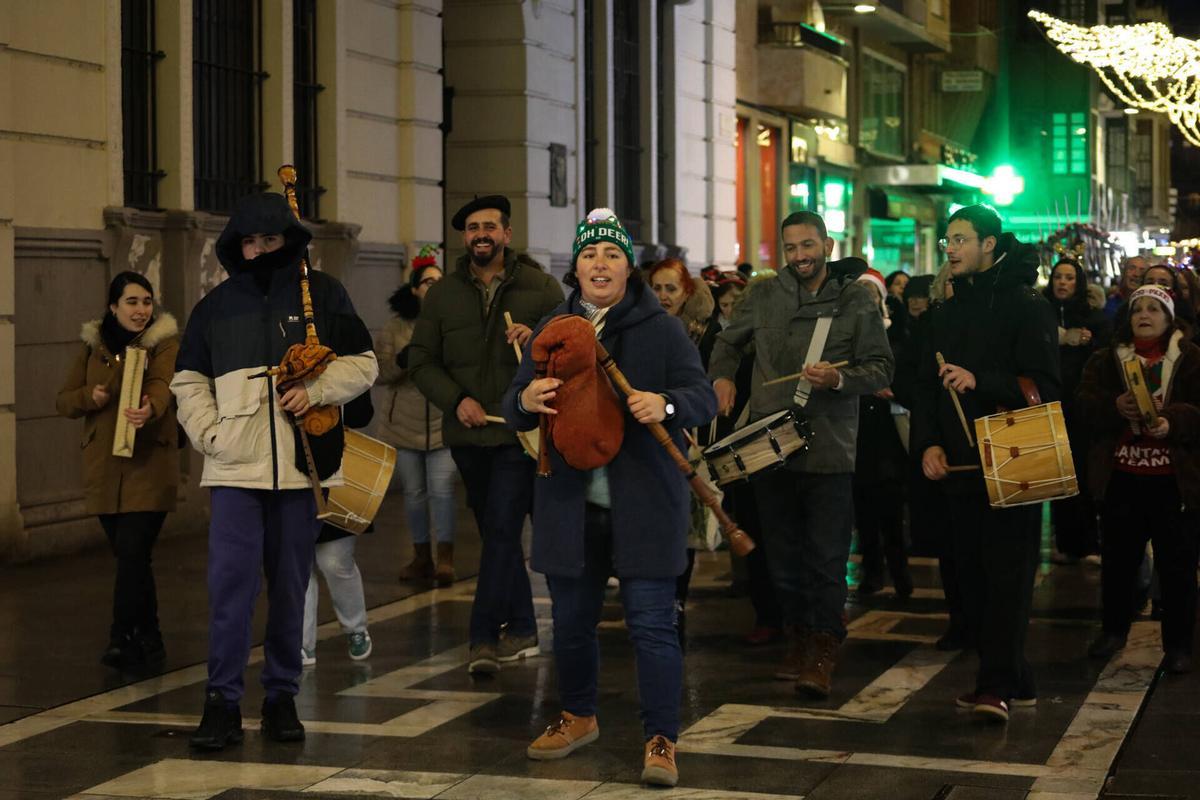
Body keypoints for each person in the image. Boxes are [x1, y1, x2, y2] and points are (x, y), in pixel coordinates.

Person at [505, 208, 717, 787]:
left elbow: (704, 398)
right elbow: (511, 402)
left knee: (652, 625)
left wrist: (665, 405)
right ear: (575, 266)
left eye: (612, 255)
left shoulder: (661, 328)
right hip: (569, 505)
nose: (600, 264)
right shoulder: (553, 326)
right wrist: (529, 400)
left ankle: (661, 738)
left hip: (644, 501)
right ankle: (578, 715)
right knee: (571, 623)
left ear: (629, 268)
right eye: (590, 254)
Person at [172, 192, 378, 750]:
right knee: (230, 589)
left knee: (291, 587)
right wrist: (212, 435)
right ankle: (222, 701)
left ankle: (282, 696)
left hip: (300, 470)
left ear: (289, 241)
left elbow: (365, 363)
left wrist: (314, 390)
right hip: (234, 471)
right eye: (248, 241)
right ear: (235, 246)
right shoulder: (215, 307)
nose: (259, 249)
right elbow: (188, 381)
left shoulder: (324, 296)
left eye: (269, 239)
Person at [709, 211, 894, 698]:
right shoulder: (764, 295)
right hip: (771, 448)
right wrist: (722, 377)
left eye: (808, 246)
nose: (800, 256)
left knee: (827, 559)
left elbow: (880, 368)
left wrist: (838, 379)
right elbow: (726, 342)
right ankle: (796, 634)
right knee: (782, 557)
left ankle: (823, 645)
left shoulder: (855, 299)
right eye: (791, 248)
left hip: (831, 447)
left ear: (828, 245)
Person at [911, 204, 1060, 723]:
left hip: (1015, 456)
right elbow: (927, 387)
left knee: (1008, 577)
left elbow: (1045, 385)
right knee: (971, 579)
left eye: (960, 239)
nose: (949, 248)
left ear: (990, 244)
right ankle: (1016, 678)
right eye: (947, 240)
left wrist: (982, 381)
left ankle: (994, 685)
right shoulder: (946, 312)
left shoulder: (1027, 305)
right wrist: (928, 442)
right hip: (959, 465)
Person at [408, 195, 564, 675]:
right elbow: (420, 360)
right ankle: (521, 627)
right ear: (464, 237)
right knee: (497, 535)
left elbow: (573, 352)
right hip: (469, 437)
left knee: (499, 529)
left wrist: (536, 338)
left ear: (507, 234)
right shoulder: (442, 295)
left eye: (490, 226)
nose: (481, 234)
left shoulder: (540, 288)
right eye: (473, 227)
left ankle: (481, 636)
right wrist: (457, 401)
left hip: (521, 437)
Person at [56, 271, 179, 670]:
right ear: (113, 306)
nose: (141, 310)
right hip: (105, 466)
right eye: (132, 302)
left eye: (146, 301)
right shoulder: (93, 346)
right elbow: (63, 401)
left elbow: (163, 383)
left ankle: (120, 637)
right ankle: (152, 637)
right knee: (132, 558)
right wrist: (89, 397)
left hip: (148, 464)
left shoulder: (164, 342)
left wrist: (152, 408)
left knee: (131, 553)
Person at [1076, 285, 1199, 675]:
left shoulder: (1192, 359)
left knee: (1177, 568)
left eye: (1154, 309)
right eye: (1137, 310)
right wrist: (1114, 407)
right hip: (1123, 477)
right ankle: (1113, 630)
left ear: (1169, 317)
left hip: (1173, 481)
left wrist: (1173, 419)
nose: (1144, 315)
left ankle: (1178, 644)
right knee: (1118, 563)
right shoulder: (1105, 359)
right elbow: (1082, 405)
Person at [376, 247, 457, 586]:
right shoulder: (395, 327)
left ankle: (446, 559)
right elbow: (381, 373)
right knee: (414, 493)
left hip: (442, 423)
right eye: (427, 282)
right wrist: (402, 362)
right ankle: (420, 555)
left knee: (442, 490)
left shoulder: (453, 323)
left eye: (439, 281)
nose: (434, 287)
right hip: (403, 424)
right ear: (414, 289)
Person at [648, 257, 714, 625]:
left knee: (683, 524)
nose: (662, 296)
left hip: (688, 437)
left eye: (670, 288)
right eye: (655, 288)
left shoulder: (701, 332)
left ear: (686, 291)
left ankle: (677, 600)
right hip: (649, 439)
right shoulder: (641, 327)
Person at [300, 390, 376, 667]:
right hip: (290, 463)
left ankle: (356, 628)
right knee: (299, 562)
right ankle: (301, 643)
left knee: (335, 561)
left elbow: (361, 412)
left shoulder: (342, 352)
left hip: (335, 465)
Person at [1043, 258, 1111, 563]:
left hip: (1081, 407)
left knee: (1082, 472)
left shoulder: (1093, 317)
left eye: (1069, 277)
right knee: (1057, 472)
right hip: (1050, 402)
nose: (1062, 283)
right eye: (1058, 276)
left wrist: (1089, 341)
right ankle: (1066, 542)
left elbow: (1106, 352)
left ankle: (1087, 542)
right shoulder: (1041, 313)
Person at [852, 268, 912, 598]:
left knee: (891, 510)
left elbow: (909, 378)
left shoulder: (897, 335)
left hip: (889, 435)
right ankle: (872, 574)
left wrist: (893, 389)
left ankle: (901, 574)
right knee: (864, 512)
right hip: (858, 433)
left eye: (870, 292)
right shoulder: (847, 336)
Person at [1103, 255, 1149, 320]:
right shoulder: (1107, 300)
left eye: (1142, 271)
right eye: (1132, 268)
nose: (1136, 274)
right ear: (1123, 272)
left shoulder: (1149, 307)